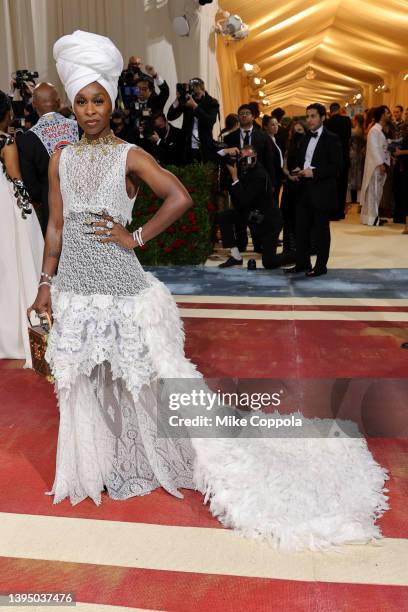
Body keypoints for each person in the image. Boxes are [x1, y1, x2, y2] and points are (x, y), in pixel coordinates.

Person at [27, 30, 389, 552]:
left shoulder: (129, 155)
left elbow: (177, 197)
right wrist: (45, 283)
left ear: (111, 104)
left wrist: (136, 236)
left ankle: (156, 457)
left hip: (124, 290)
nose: (89, 110)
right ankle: (96, 467)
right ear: (71, 105)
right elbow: (56, 227)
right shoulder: (61, 160)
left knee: (148, 381)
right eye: (81, 101)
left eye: (98, 100)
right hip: (76, 292)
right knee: (85, 382)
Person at [0, 91, 44, 366]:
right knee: (15, 262)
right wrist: (27, 214)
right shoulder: (6, 142)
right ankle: (15, 332)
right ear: (7, 115)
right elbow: (16, 181)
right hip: (6, 206)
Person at [285, 103, 342, 277]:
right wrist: (297, 171)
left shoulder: (332, 138)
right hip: (303, 189)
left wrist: (314, 172)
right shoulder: (305, 138)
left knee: (321, 230)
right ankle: (302, 263)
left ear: (323, 117)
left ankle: (320, 267)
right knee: (300, 228)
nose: (309, 120)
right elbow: (303, 161)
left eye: (313, 116)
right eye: (307, 116)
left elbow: (336, 167)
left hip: (322, 190)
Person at [16, 82, 79, 235]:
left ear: (34, 104)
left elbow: (32, 187)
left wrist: (44, 195)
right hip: (86, 204)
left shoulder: (25, 141)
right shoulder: (80, 127)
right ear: (58, 102)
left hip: (52, 211)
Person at [217, 145, 283, 268]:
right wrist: (226, 151)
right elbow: (220, 159)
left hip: (268, 221)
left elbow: (244, 199)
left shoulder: (259, 175)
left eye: (249, 158)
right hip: (253, 215)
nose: (245, 162)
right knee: (224, 217)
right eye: (243, 158)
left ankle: (299, 255)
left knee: (269, 262)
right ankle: (236, 257)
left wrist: (235, 177)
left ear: (255, 158)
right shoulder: (243, 168)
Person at [221, 104, 276, 186]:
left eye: (247, 113)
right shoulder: (229, 138)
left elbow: (269, 160)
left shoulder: (263, 136)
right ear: (238, 117)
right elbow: (226, 160)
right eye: (241, 113)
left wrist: (271, 183)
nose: (244, 115)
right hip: (237, 181)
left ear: (253, 117)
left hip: (259, 180)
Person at [167, 77, 219, 163]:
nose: (195, 95)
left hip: (204, 145)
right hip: (188, 145)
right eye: (193, 90)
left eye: (197, 91)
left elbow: (210, 121)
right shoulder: (188, 100)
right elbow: (170, 116)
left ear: (203, 89)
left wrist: (195, 106)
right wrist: (178, 99)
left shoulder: (212, 102)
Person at [360, 105, 392, 226]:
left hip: (379, 164)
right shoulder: (374, 130)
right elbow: (374, 149)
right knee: (374, 191)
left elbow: (382, 147)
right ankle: (372, 218)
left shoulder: (379, 130)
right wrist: (380, 164)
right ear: (382, 115)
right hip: (375, 166)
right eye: (388, 113)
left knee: (376, 192)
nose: (389, 115)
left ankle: (372, 216)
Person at [325, 102, 352, 219]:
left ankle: (331, 212)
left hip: (330, 159)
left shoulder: (326, 123)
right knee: (342, 185)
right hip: (344, 156)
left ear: (330, 111)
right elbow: (349, 137)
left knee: (331, 185)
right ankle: (340, 212)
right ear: (340, 110)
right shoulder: (346, 120)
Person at [348, 114, 366, 204]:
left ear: (356, 120)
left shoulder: (353, 131)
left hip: (353, 154)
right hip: (360, 155)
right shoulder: (363, 131)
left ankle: (353, 198)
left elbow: (349, 143)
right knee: (358, 174)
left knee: (352, 175)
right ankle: (357, 198)